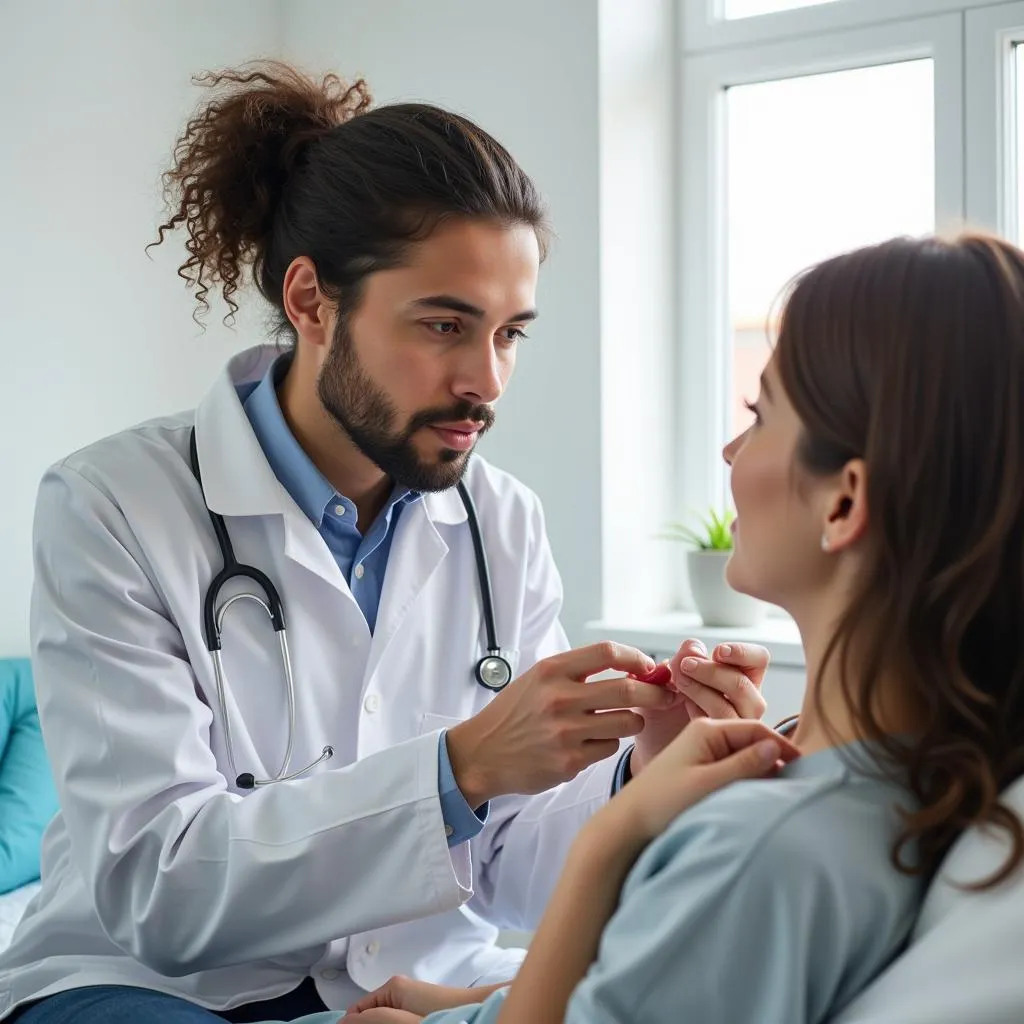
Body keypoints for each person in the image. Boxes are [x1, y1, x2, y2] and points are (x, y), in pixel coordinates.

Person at [0, 63, 770, 1024]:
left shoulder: (501, 520)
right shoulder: (113, 503)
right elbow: (157, 890)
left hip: (400, 986)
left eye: (510, 334)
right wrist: (461, 769)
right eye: (445, 325)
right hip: (146, 986)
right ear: (313, 302)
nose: (484, 380)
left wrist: (637, 770)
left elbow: (504, 869)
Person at [322, 231, 1024, 1024]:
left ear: (843, 504)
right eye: (446, 324)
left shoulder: (762, 848)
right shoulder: (926, 771)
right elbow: (655, 980)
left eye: (760, 417)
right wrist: (466, 1000)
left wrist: (612, 838)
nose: (730, 450)